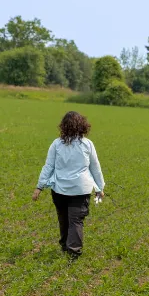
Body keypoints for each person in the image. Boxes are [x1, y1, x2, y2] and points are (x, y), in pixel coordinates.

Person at [32, 111, 105, 259]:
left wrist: (39, 187)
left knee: (64, 219)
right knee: (75, 221)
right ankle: (74, 252)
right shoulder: (87, 144)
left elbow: (48, 167)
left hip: (59, 190)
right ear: (82, 126)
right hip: (80, 190)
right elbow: (95, 168)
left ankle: (66, 246)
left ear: (63, 126)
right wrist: (100, 188)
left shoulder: (57, 144)